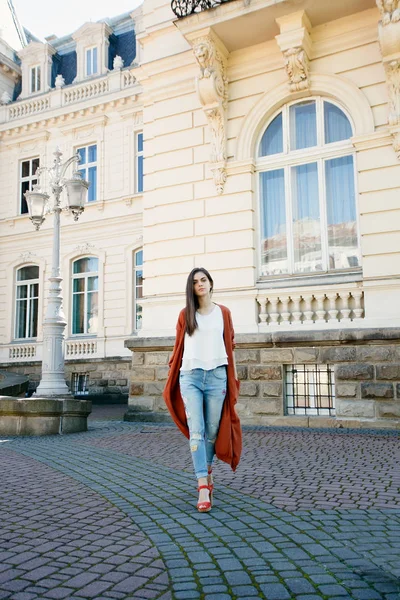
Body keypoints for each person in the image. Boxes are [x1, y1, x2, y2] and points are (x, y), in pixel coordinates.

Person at [163, 267, 242, 513]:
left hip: (218, 376)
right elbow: (178, 348)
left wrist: (234, 379)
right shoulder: (185, 314)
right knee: (196, 430)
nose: (200, 284)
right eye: (195, 281)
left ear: (210, 283)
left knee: (212, 430)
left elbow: (230, 346)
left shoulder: (224, 313)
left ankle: (207, 471)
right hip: (191, 377)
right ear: (192, 287)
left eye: (203, 280)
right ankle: (202, 486)